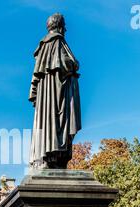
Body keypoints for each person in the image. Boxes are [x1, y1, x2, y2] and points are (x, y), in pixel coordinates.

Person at [29, 13, 82, 169]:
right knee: (57, 122)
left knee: (47, 122)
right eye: (63, 25)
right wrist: (75, 64)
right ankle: (54, 156)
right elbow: (67, 63)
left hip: (48, 96)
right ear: (59, 26)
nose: (65, 28)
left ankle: (49, 156)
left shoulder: (43, 47)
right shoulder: (57, 41)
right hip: (57, 93)